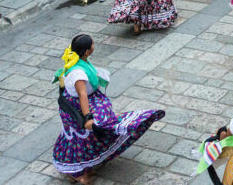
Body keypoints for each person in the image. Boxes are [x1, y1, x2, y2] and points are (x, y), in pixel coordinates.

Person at [52, 33, 165, 183]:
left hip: (83, 101)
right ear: (86, 51)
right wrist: (88, 117)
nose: (94, 46)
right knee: (82, 137)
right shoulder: (78, 73)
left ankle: (87, 163)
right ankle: (76, 173)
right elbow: (82, 95)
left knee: (92, 134)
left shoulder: (77, 59)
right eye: (92, 44)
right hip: (77, 109)